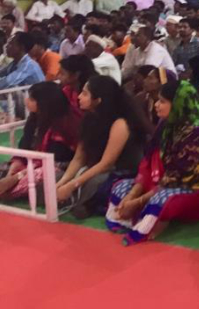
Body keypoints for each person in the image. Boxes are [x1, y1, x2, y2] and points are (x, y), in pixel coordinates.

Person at [105, 80, 199, 244]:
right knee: (121, 187)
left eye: (162, 101)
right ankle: (133, 217)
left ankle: (144, 222)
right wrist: (131, 195)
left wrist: (137, 201)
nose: (157, 105)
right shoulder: (166, 125)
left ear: (178, 104)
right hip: (168, 181)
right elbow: (148, 161)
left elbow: (179, 180)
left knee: (162, 200)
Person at [55, 76, 151, 217]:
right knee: (57, 178)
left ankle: (85, 203)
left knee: (93, 183)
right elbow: (78, 159)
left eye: (85, 94)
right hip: (98, 169)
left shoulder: (121, 123)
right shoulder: (88, 119)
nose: (79, 97)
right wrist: (63, 183)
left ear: (98, 100)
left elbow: (106, 164)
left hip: (120, 172)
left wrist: (73, 184)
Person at [0, 82, 80, 199]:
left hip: (56, 167)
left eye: (32, 99)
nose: (26, 101)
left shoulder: (64, 124)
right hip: (31, 164)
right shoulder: (34, 118)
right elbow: (24, 147)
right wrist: (15, 166)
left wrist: (17, 177)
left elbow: (56, 160)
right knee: (7, 172)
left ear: (44, 103)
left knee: (38, 178)